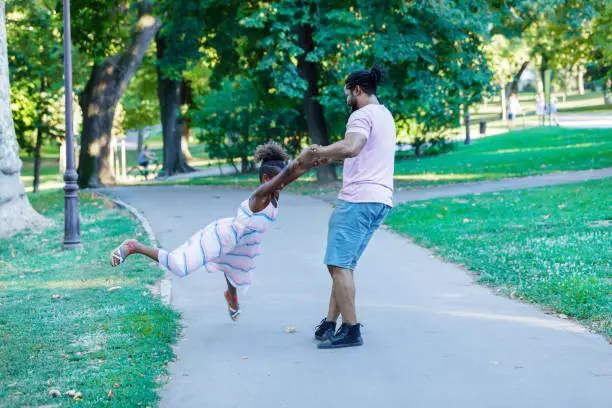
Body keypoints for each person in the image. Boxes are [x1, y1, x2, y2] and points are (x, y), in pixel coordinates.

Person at [110, 142, 312, 321]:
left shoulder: (275, 193)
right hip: (222, 236)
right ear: (266, 178)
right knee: (179, 266)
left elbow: (292, 173)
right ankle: (134, 246)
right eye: (279, 179)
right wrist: (308, 157)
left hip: (244, 243)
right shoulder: (261, 196)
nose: (285, 183)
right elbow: (286, 175)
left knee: (235, 270)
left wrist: (316, 159)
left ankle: (231, 295)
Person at [301, 64, 396, 349]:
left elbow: (351, 146)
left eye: (347, 95)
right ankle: (331, 323)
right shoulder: (384, 115)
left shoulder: (362, 114)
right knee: (343, 265)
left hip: (358, 198)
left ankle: (351, 329)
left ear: (357, 90)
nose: (347, 102)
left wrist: (317, 154)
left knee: (338, 264)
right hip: (379, 198)